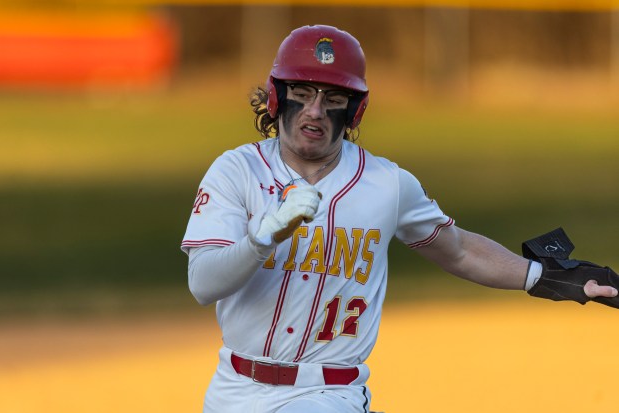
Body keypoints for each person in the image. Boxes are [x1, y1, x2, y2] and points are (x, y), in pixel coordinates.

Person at [181, 24, 618, 413]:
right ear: (277, 97)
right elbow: (203, 284)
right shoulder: (236, 171)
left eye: (333, 98)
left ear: (354, 111)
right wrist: (263, 236)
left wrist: (545, 276)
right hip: (232, 390)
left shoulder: (386, 184)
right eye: (302, 92)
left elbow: (461, 251)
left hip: (327, 395)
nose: (315, 111)